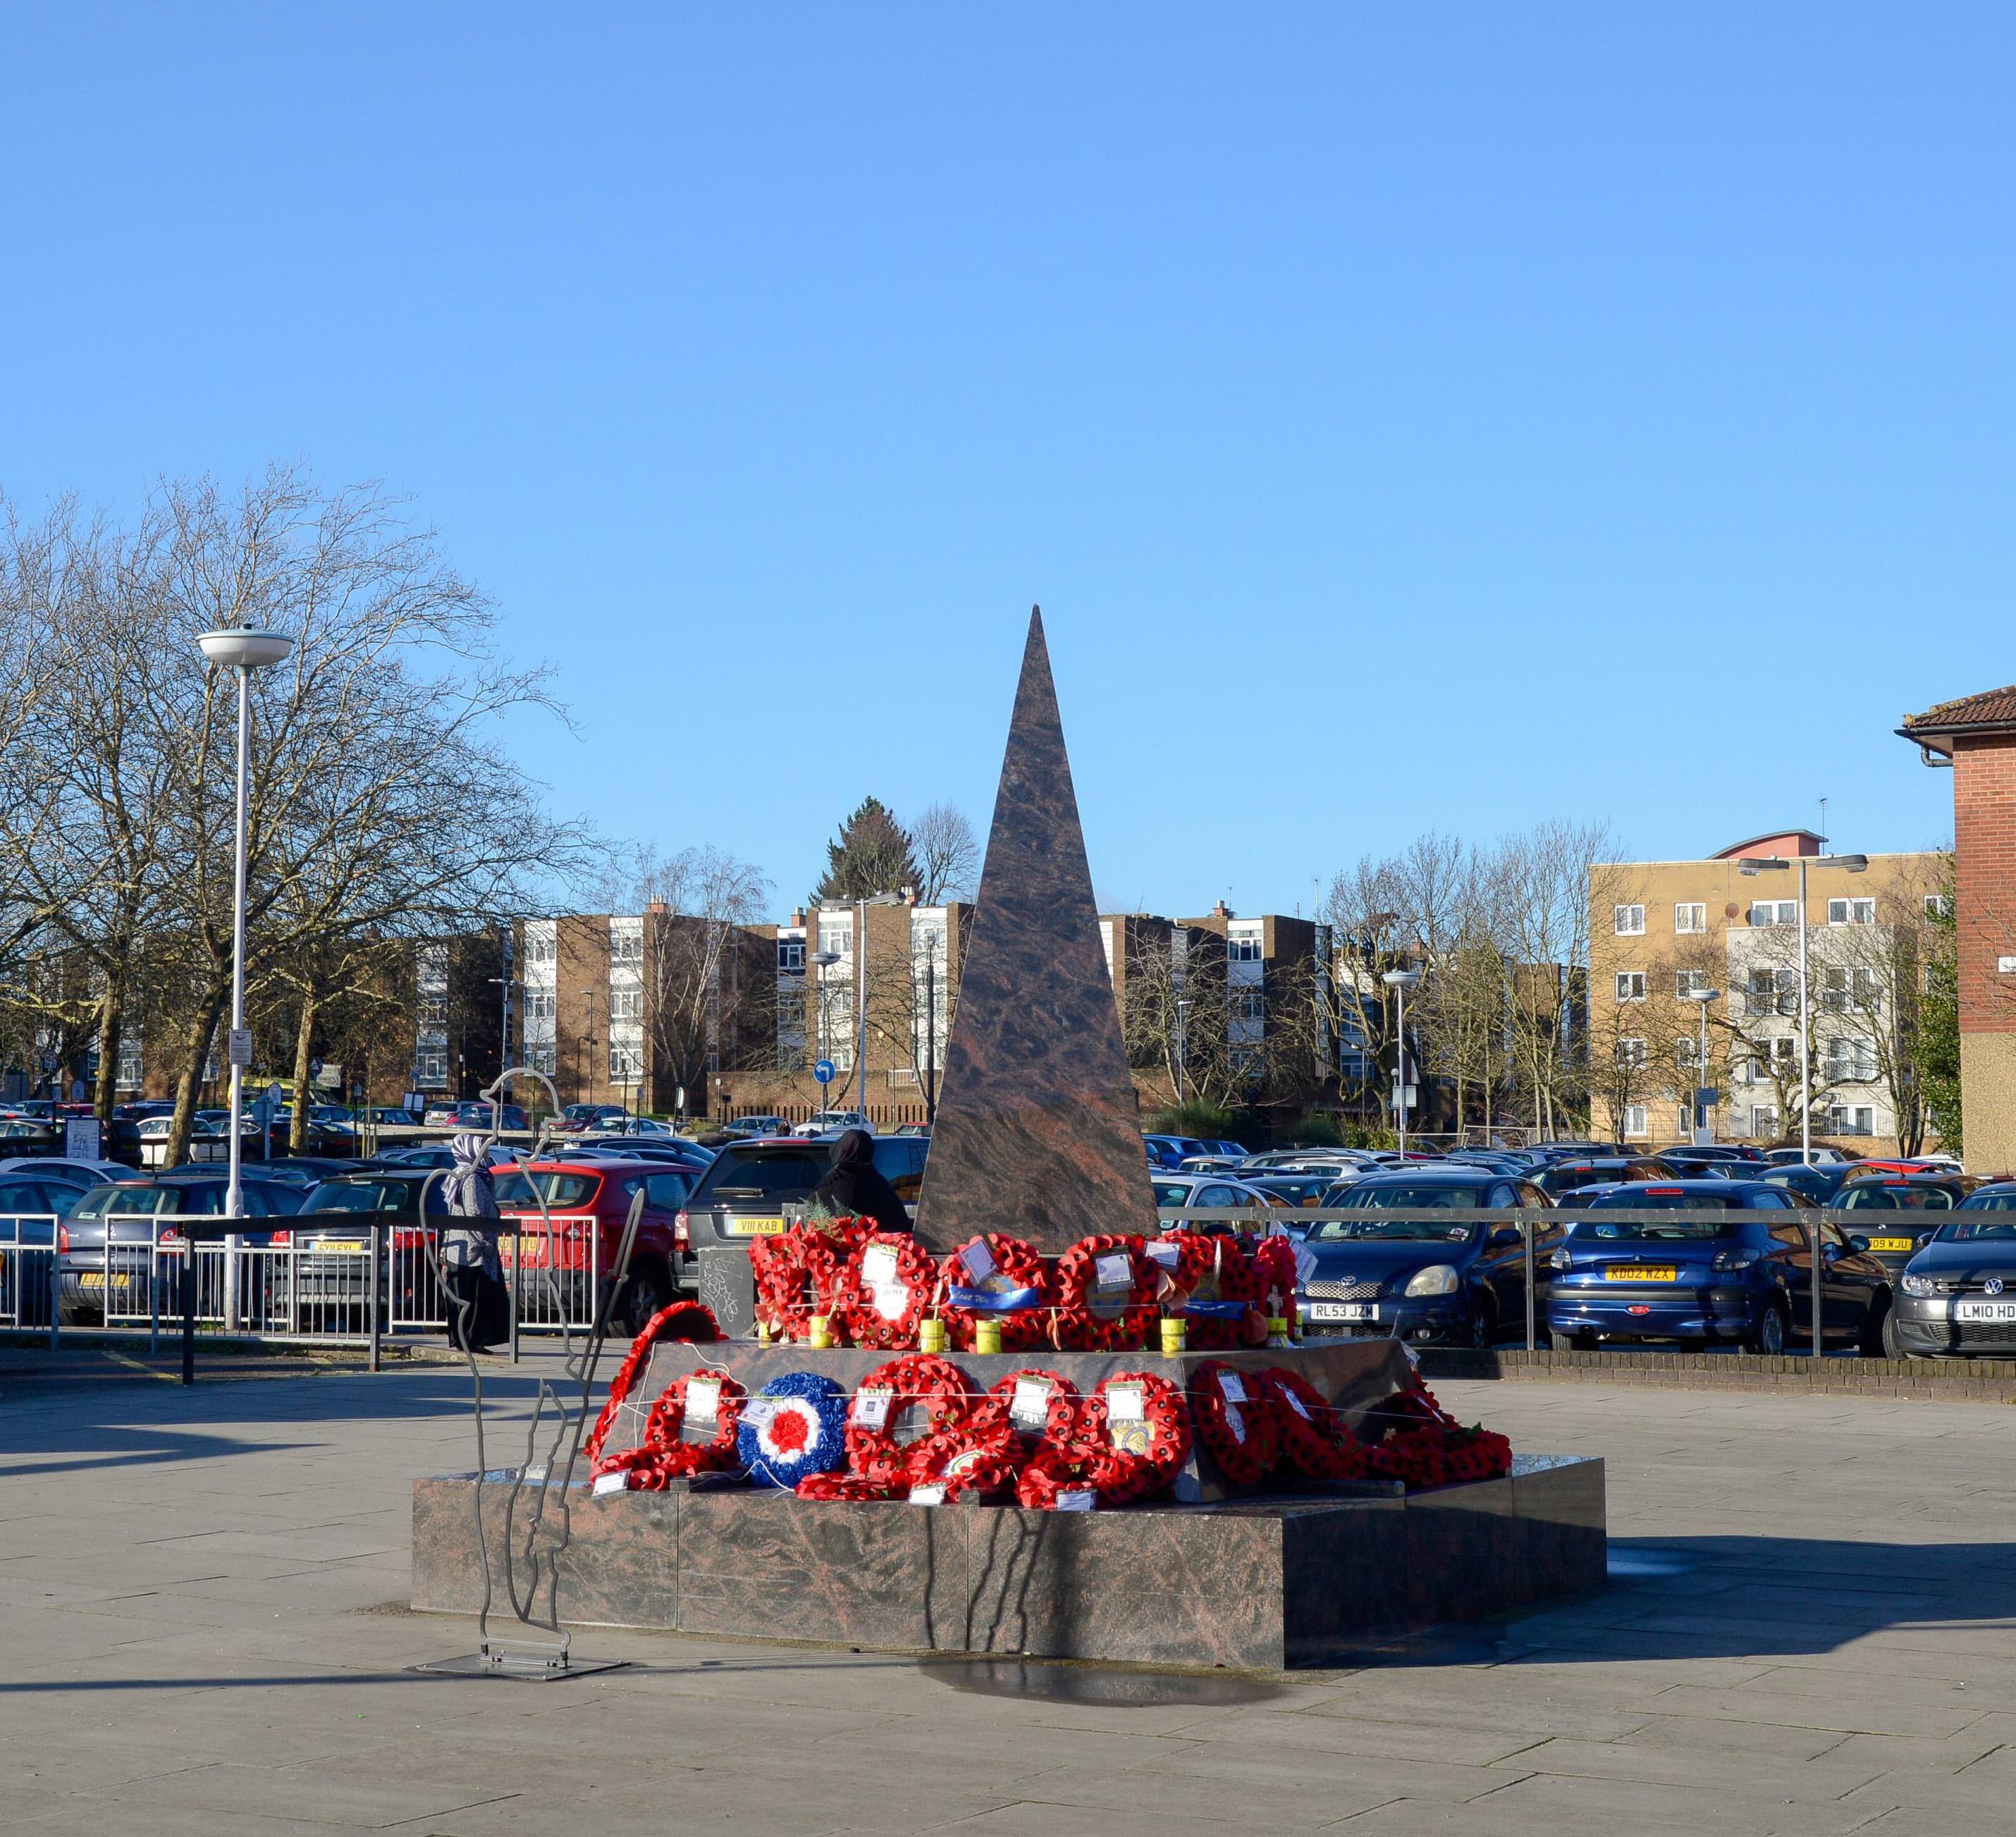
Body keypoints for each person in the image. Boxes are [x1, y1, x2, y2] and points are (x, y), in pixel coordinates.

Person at [440, 1131, 508, 1355]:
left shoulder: (459, 1175)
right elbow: (475, 1214)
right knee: (475, 1298)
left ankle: (463, 1339)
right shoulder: (471, 1179)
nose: (487, 1155)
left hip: (459, 1250)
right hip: (473, 1251)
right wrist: (485, 1242)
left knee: (464, 1297)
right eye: (483, 1150)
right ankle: (471, 1340)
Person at [809, 1128, 910, 1233]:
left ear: (841, 1150)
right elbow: (900, 1225)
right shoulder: (879, 1184)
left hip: (834, 1247)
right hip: (877, 1247)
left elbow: (812, 1224)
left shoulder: (830, 1182)